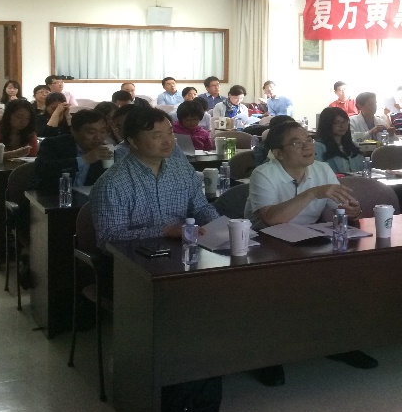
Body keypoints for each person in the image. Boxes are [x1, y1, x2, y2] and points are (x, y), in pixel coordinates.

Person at [245, 121, 374, 383]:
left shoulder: (322, 169)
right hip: (264, 245)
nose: (307, 147)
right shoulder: (264, 173)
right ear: (278, 153)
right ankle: (268, 357)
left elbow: (342, 209)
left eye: (309, 140)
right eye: (297, 142)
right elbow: (272, 219)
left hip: (308, 240)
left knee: (348, 274)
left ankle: (339, 344)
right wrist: (313, 193)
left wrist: (352, 210)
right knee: (274, 290)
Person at [91, 106, 218, 250]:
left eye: (170, 133)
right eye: (158, 136)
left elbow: (201, 208)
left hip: (183, 250)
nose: (168, 141)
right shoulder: (112, 183)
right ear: (133, 141)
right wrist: (165, 231)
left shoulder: (182, 169)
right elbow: (108, 237)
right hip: (134, 257)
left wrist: (219, 226)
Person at [34, 109, 112, 193]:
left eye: (103, 132)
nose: (98, 137)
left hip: (87, 199)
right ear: (74, 131)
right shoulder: (54, 144)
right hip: (53, 196)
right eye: (91, 132)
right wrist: (84, 160)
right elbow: (42, 170)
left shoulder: (105, 151)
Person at [0, 99, 39, 190]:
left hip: (20, 180)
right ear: (8, 115)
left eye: (27, 118)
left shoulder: (30, 135)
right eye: (19, 117)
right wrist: (14, 154)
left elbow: (34, 158)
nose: (23, 121)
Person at [314, 107, 364, 174]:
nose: (342, 125)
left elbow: (364, 170)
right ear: (327, 124)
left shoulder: (353, 146)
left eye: (345, 121)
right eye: (337, 122)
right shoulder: (318, 147)